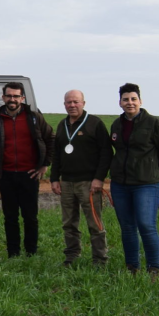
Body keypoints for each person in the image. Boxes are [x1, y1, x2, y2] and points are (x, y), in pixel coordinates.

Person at [109, 83, 159, 278]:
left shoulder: (154, 123)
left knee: (146, 225)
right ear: (120, 102)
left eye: (133, 99)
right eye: (125, 99)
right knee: (127, 226)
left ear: (140, 101)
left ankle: (154, 268)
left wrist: (153, 166)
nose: (130, 103)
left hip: (146, 184)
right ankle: (132, 267)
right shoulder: (117, 125)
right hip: (120, 184)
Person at [0, 82, 54, 258]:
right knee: (10, 217)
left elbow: (50, 139)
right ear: (3, 98)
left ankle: (31, 251)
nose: (12, 99)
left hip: (29, 174)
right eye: (9, 96)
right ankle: (13, 252)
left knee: (30, 217)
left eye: (16, 96)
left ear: (22, 98)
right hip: (6, 175)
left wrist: (45, 164)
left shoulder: (34, 118)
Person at [49, 90, 111, 268]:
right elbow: (58, 154)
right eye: (68, 102)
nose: (72, 105)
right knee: (69, 223)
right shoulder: (62, 125)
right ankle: (72, 255)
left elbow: (106, 153)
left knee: (94, 222)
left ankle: (99, 259)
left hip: (89, 183)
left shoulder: (94, 124)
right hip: (67, 182)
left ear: (83, 103)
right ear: (64, 105)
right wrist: (54, 178)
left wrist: (99, 179)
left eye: (76, 102)